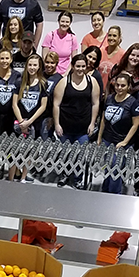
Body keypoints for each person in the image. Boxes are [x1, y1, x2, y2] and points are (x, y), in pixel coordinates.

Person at [52, 54, 100, 187]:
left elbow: (95, 104)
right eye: (78, 66)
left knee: (80, 154)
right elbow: (56, 104)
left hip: (83, 127)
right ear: (73, 66)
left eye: (83, 66)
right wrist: (57, 124)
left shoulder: (92, 82)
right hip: (65, 126)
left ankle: (78, 178)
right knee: (65, 153)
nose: (80, 69)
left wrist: (92, 123)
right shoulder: (63, 82)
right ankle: (64, 174)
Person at [97, 73, 139, 194]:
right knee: (107, 167)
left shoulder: (133, 102)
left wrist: (125, 142)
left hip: (123, 142)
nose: (119, 88)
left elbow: (135, 124)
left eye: (123, 85)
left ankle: (114, 195)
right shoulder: (110, 98)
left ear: (128, 86)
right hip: (107, 139)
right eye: (117, 85)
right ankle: (105, 191)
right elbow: (103, 120)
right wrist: (100, 137)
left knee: (116, 170)